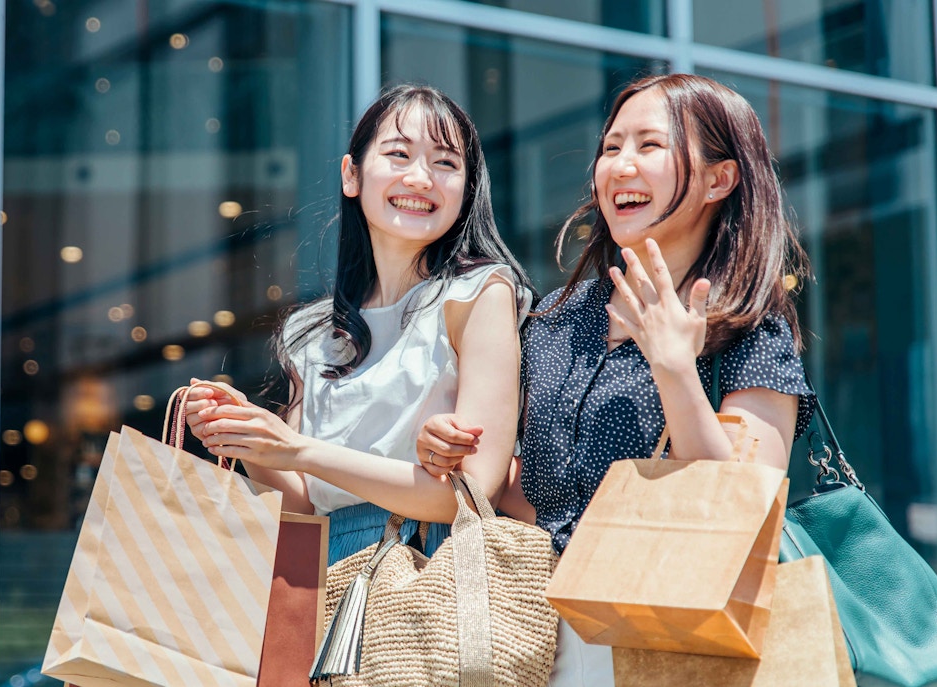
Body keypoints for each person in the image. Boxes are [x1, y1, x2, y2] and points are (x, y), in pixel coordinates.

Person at [417, 73, 816, 686]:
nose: (620, 166)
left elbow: (742, 506)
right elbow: (537, 495)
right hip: (540, 634)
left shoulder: (748, 328)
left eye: (649, 146)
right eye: (611, 148)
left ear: (719, 179)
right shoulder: (555, 320)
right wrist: (458, 454)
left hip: (676, 640)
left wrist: (674, 367)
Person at [181, 83, 534, 565]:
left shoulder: (478, 293)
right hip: (328, 578)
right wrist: (247, 438)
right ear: (352, 175)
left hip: (426, 571)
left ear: (467, 188)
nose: (421, 178)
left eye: (445, 163)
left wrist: (297, 449)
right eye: (398, 154)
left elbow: (468, 494)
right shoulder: (311, 331)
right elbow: (303, 506)